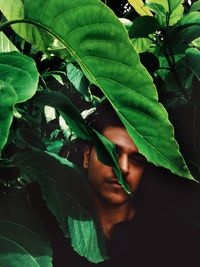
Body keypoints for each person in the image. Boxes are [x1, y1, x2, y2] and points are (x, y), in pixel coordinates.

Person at [31, 100, 200, 267]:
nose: (123, 168)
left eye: (136, 160)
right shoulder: (47, 225)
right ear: (86, 157)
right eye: (110, 153)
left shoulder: (170, 237)